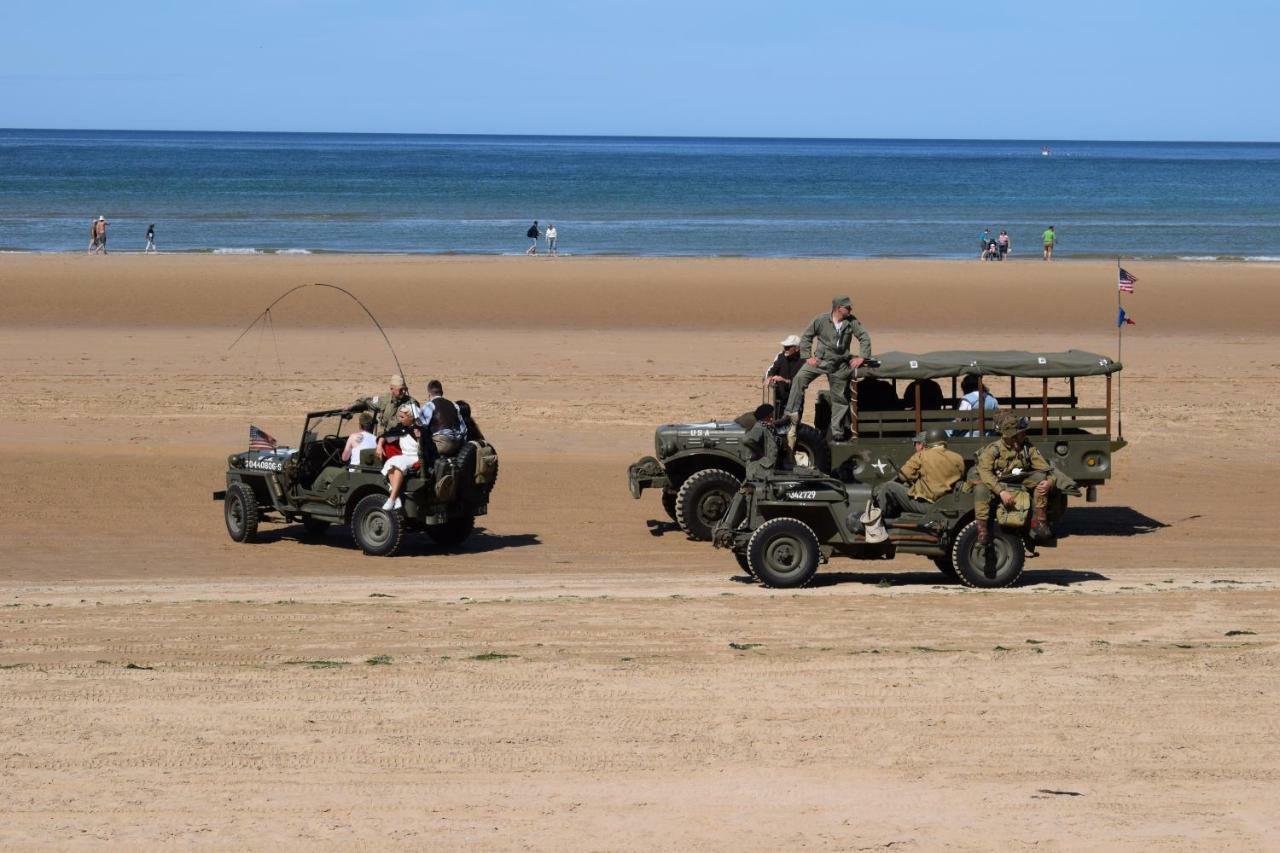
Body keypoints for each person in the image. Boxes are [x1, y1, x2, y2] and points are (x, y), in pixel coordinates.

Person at [783, 296, 872, 443]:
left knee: (839, 398)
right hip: (820, 361)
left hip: (840, 365)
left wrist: (862, 357)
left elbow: (864, 336)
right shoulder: (821, 320)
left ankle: (837, 431)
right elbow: (806, 337)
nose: (850, 310)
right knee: (799, 379)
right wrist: (807, 356)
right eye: (847, 307)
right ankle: (790, 415)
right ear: (838, 308)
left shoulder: (851, 321)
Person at [972, 413, 1056, 544]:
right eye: (1022, 432)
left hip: (1017, 481)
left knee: (1041, 478)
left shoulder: (1027, 448)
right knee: (980, 489)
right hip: (997, 483)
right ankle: (983, 531)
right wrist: (1001, 491)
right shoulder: (994, 449)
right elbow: (985, 473)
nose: (1025, 434)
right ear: (1012, 435)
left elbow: (1046, 469)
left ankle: (1040, 522)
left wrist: (1049, 482)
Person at [874, 428, 966, 518]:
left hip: (928, 505)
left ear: (927, 441)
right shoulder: (958, 458)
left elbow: (903, 476)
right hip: (948, 504)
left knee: (889, 486)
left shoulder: (921, 455)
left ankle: (877, 521)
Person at [378, 404, 424, 511]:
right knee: (390, 463)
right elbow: (385, 436)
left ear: (410, 418)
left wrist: (419, 438)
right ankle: (396, 496)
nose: (400, 419)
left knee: (399, 465)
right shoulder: (401, 428)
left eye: (402, 417)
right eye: (399, 416)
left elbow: (426, 448)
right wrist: (380, 446)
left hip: (415, 458)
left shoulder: (421, 430)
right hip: (404, 456)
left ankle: (392, 498)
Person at [346, 374, 418, 435]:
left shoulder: (411, 404)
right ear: (392, 388)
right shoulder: (384, 399)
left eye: (405, 389)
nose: (404, 392)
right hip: (385, 437)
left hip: (401, 438)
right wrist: (353, 406)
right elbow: (366, 402)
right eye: (401, 389)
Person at [417, 379, 468, 457]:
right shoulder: (454, 405)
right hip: (457, 444)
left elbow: (422, 425)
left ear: (429, 394)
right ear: (442, 393)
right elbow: (463, 429)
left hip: (441, 444)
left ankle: (423, 468)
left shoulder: (429, 405)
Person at [736, 404, 778, 480]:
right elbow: (747, 440)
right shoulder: (759, 427)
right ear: (765, 416)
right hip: (758, 470)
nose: (772, 419)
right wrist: (760, 453)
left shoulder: (766, 427)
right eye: (770, 416)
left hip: (764, 468)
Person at [764, 334, 804, 413]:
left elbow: (802, 382)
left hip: (795, 399)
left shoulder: (803, 361)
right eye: (784, 347)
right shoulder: (781, 356)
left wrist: (785, 380)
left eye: (788, 347)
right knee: (778, 419)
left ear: (797, 349)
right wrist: (769, 377)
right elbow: (773, 369)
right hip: (780, 397)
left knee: (793, 422)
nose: (785, 349)